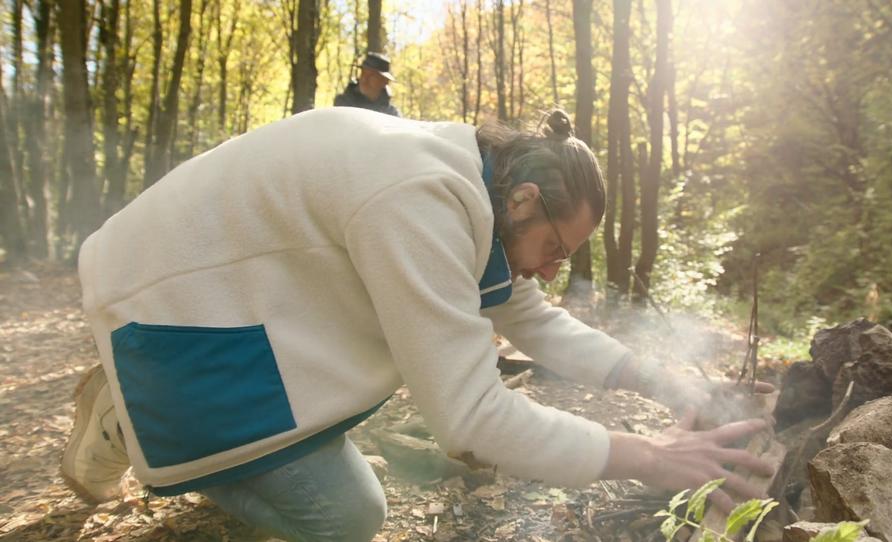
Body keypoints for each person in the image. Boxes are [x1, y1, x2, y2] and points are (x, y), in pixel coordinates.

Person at [61, 107, 773, 542]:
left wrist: (664, 383)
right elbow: (470, 417)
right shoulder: (421, 197)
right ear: (523, 199)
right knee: (345, 521)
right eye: (555, 248)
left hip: (239, 295)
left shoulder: (470, 193)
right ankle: (131, 414)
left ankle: (149, 406)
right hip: (171, 304)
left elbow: (536, 322)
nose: (554, 270)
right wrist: (649, 456)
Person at [333, 52, 401, 117]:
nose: (364, 80)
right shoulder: (343, 105)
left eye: (371, 76)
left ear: (385, 81)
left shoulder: (391, 115)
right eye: (363, 74)